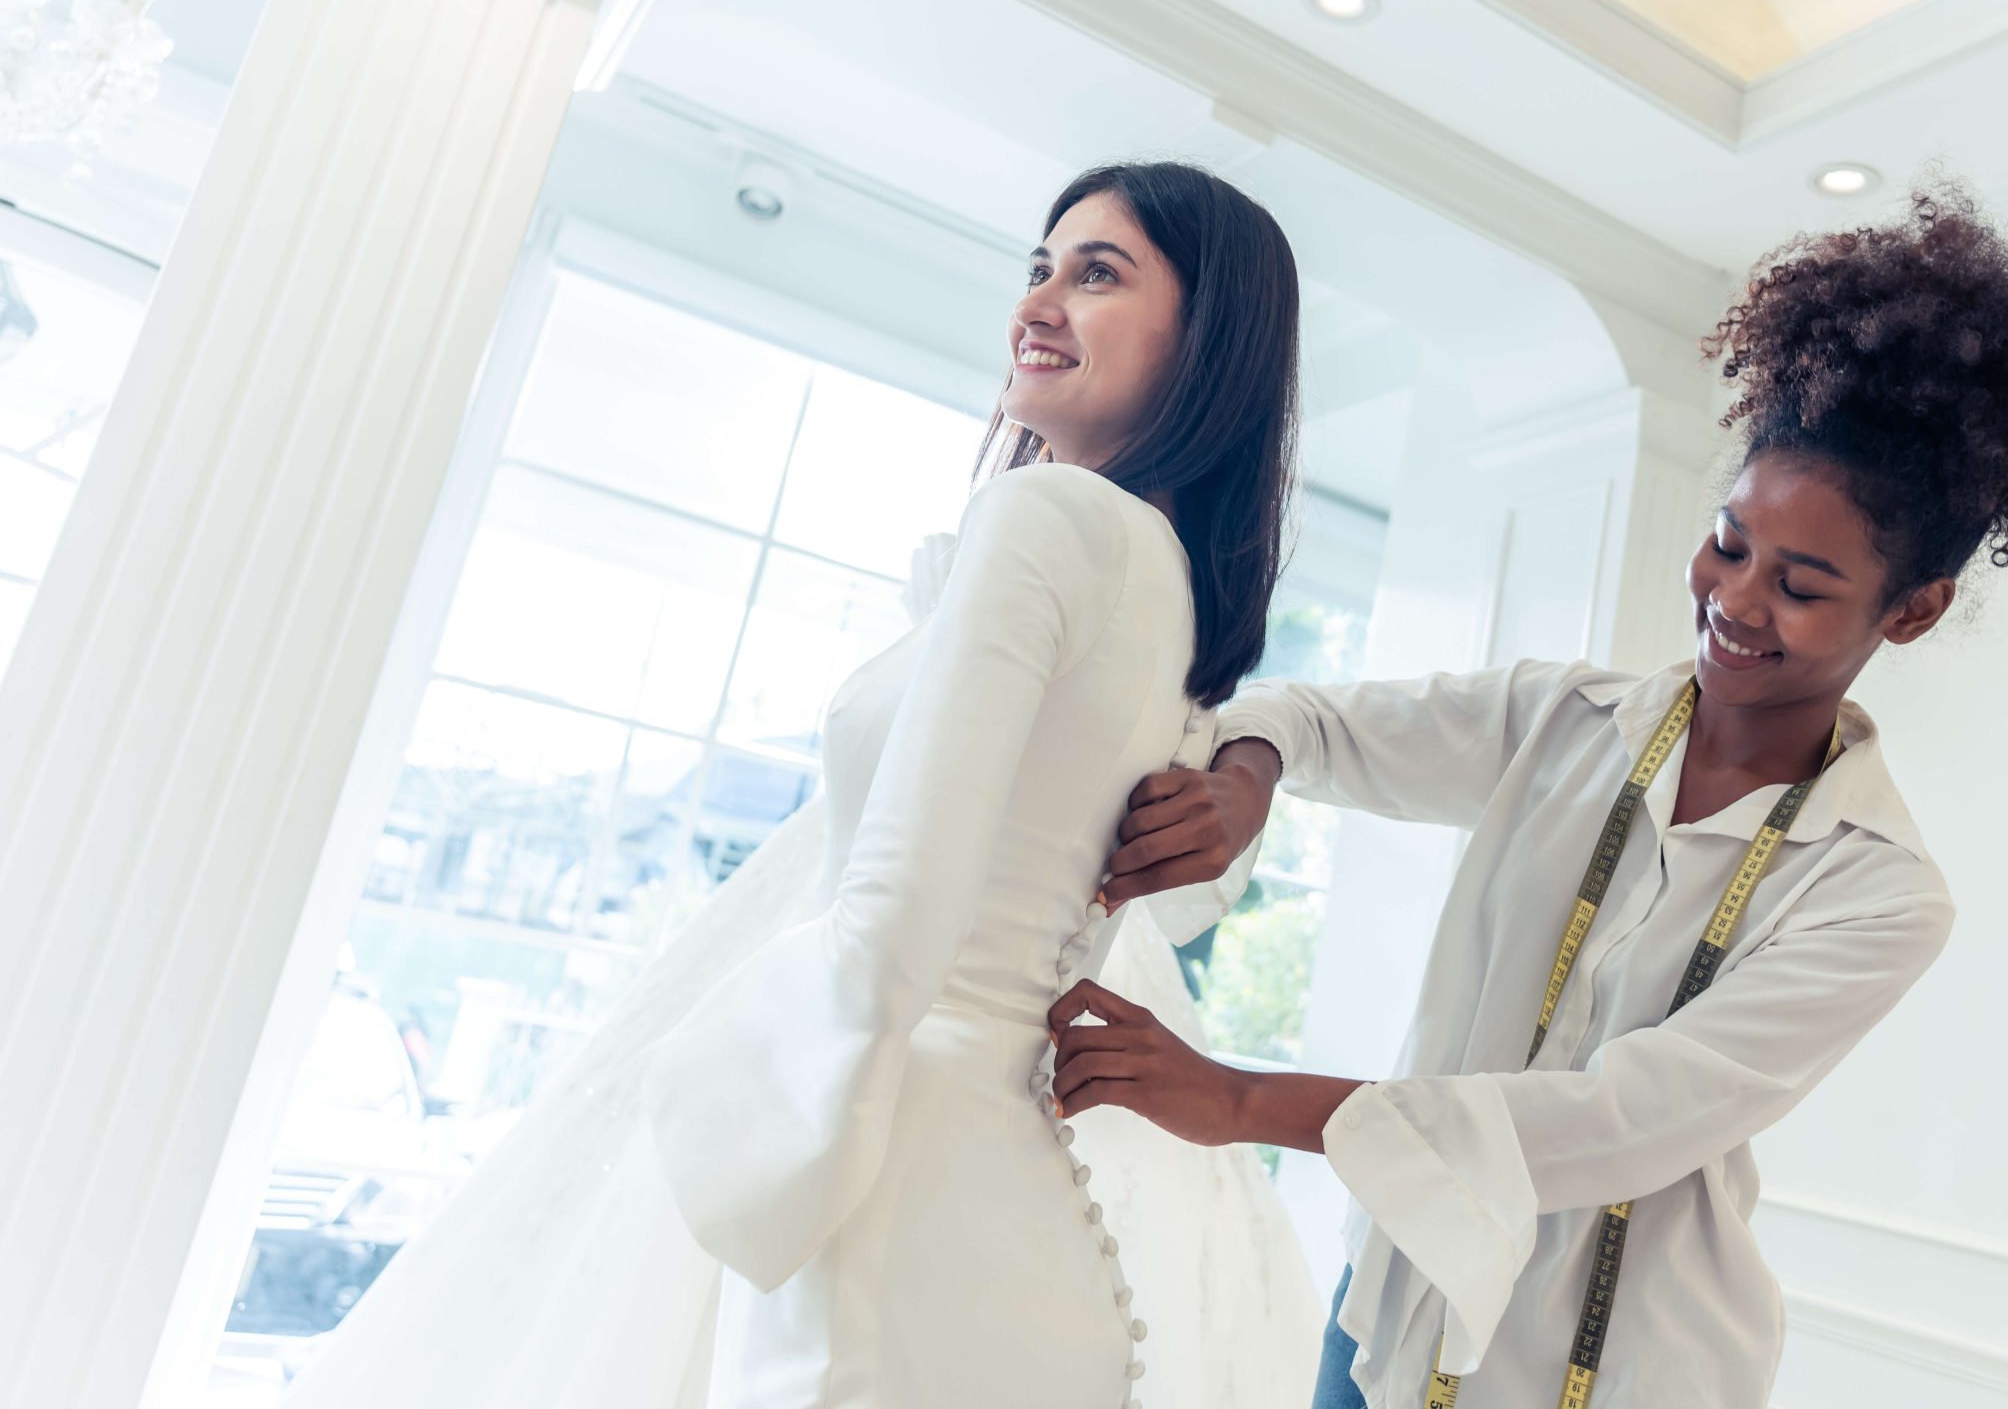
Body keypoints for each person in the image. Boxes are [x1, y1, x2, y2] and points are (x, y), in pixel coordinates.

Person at [1050, 182, 2008, 1408]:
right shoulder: (1560, 719)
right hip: (1392, 1319)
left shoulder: (1879, 893)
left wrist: (1238, 1099)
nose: (1735, 602)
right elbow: (1304, 716)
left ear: (1910, 609)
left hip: (1633, 1370)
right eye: (1730, 544)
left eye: (1800, 585)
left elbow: (1618, 1121)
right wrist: (1248, 784)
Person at [280, 161, 1303, 1409]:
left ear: (1210, 341)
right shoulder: (1174, 596)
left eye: (1097, 274)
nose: (1037, 303)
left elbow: (901, 901)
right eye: (1036, 267)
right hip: (1007, 1170)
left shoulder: (1045, 518)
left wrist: (739, 1115)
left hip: (890, 1155)